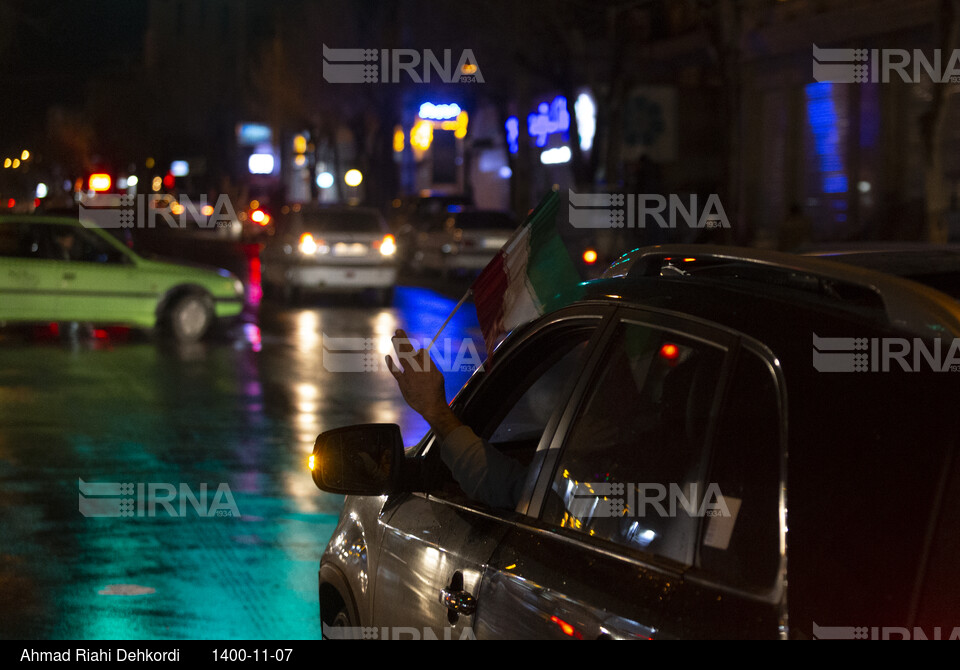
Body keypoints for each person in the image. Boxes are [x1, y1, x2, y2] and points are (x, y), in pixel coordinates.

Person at [385, 329, 527, 509]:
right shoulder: (563, 479)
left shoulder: (555, 491)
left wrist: (435, 408)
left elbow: (506, 487)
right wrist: (433, 409)